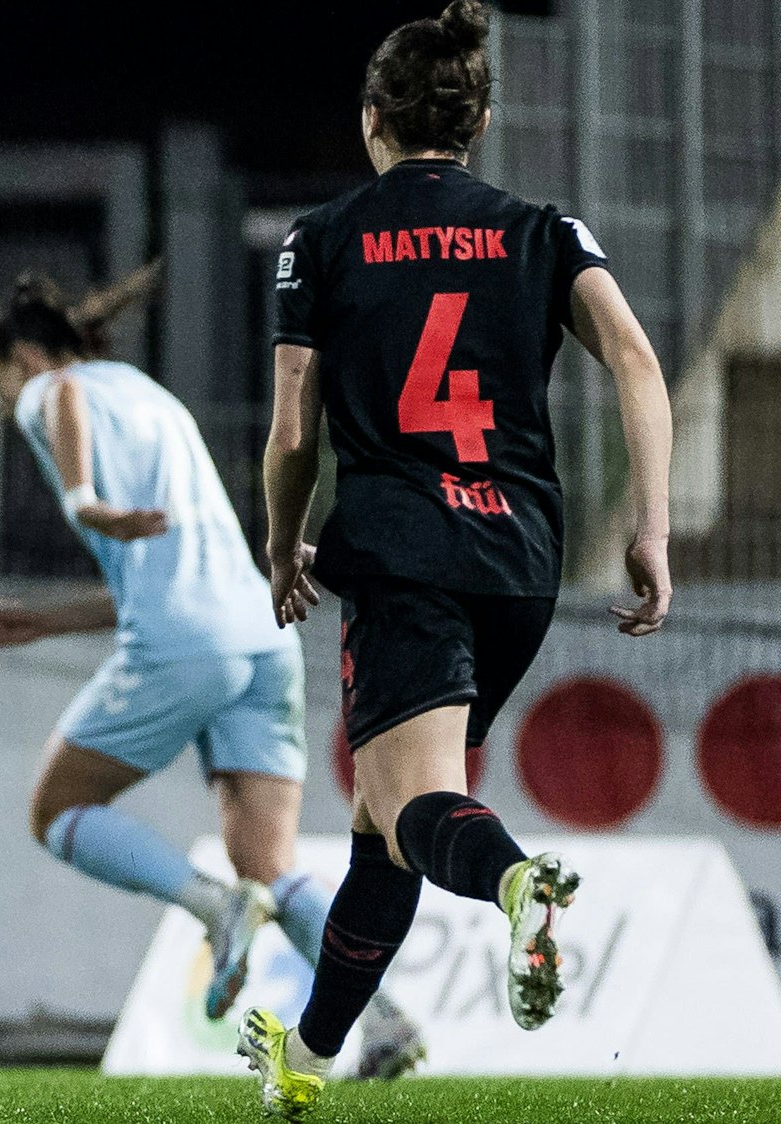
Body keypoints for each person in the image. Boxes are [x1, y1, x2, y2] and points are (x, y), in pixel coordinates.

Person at [240, 3, 673, 1118]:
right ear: (477, 120)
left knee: (411, 801)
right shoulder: (545, 228)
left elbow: (295, 425)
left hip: (403, 549)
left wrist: (282, 539)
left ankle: (518, 881)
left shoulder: (321, 236)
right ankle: (309, 1058)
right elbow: (633, 355)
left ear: (373, 116)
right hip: (522, 554)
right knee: (383, 826)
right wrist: (650, 526)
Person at [0, 272, 422, 1080]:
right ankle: (383, 1020)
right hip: (258, 631)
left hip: (183, 642)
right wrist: (40, 618)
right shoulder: (145, 394)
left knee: (56, 808)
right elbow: (172, 572)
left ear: (24, 356)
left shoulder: (54, 392)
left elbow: (56, 400)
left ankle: (210, 906)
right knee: (269, 864)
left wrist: (82, 500)